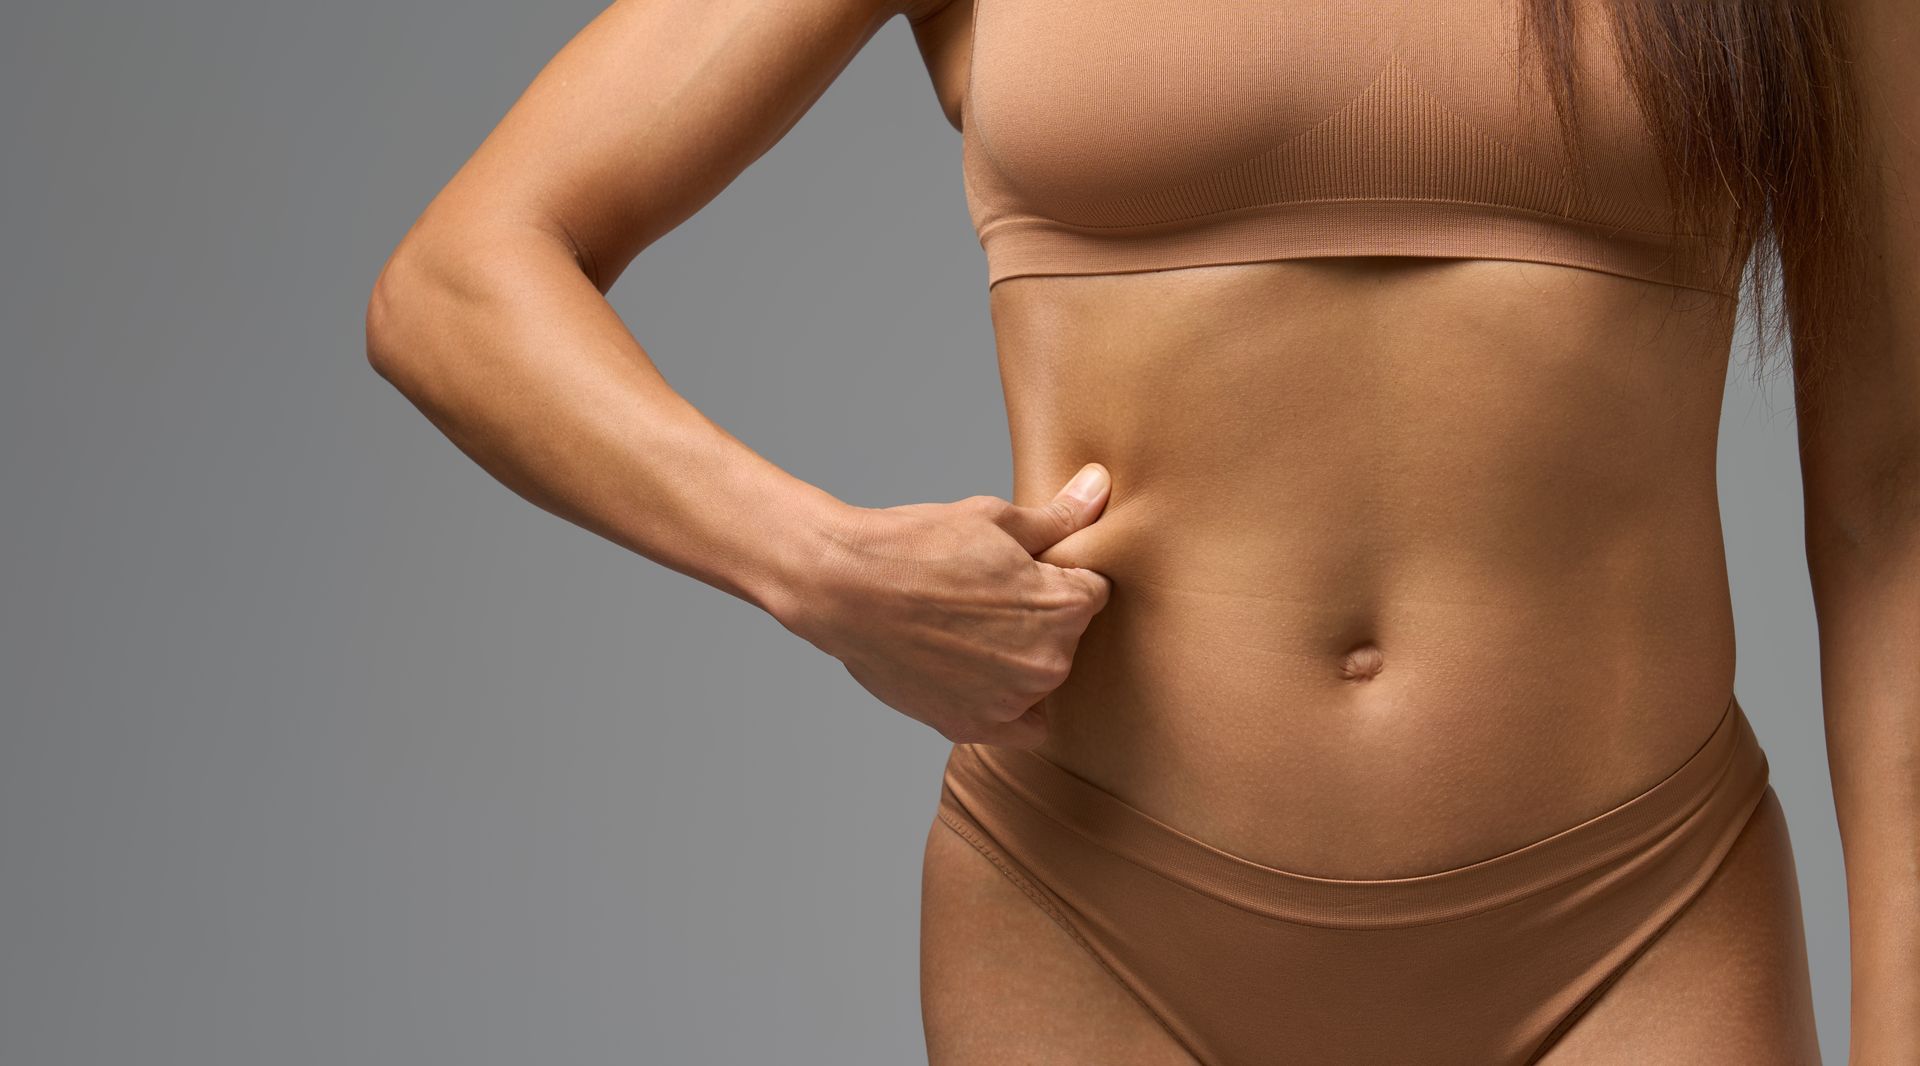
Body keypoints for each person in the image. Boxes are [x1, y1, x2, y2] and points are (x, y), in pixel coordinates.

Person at [363, 0, 1917, 1061]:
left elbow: (1889, 510)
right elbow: (456, 281)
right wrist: (817, 564)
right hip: (1097, 927)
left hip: (1636, 926)